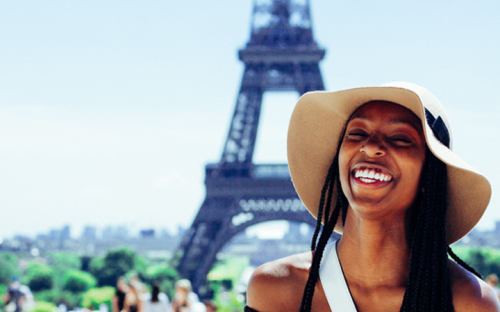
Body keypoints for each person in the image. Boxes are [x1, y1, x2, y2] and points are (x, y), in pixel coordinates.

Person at [245, 82, 500, 311]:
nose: (370, 146)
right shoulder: (274, 290)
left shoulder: (470, 303)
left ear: (429, 176)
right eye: (356, 133)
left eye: (400, 138)